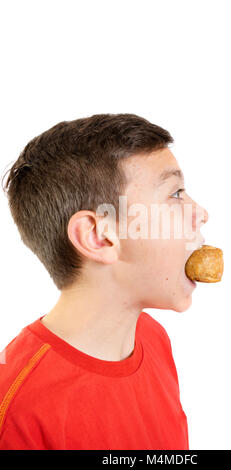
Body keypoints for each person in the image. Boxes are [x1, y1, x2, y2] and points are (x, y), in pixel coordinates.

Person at [0, 113, 208, 450]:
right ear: (99, 236)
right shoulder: (16, 411)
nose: (200, 212)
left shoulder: (152, 339)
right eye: (175, 194)